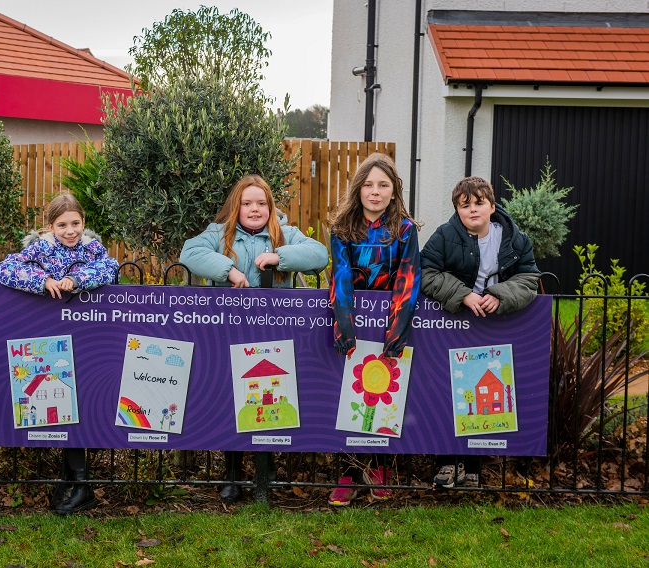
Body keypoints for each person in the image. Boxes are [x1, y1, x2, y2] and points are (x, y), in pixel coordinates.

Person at [179, 174, 329, 502]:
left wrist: (280, 258)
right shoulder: (219, 235)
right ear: (237, 206)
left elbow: (319, 254)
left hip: (274, 334)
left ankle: (269, 470)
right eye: (247, 203)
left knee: (270, 397)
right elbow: (189, 252)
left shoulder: (284, 234)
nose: (254, 209)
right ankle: (231, 473)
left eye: (261, 203)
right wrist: (227, 270)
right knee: (232, 399)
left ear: (271, 207)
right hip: (228, 333)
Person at [0, 192, 119, 515]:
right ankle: (75, 482)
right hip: (51, 341)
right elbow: (4, 269)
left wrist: (76, 279)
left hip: (88, 339)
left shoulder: (92, 250)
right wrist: (43, 280)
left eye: (76, 223)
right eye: (62, 224)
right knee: (62, 402)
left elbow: (111, 269)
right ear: (50, 226)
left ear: (84, 223)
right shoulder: (39, 250)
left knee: (83, 402)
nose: (70, 230)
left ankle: (78, 483)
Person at [421, 176, 539, 488]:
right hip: (454, 320)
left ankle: (472, 464)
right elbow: (425, 272)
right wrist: (462, 294)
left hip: (493, 323)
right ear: (457, 210)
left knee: (480, 393)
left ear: (492, 206)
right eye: (465, 205)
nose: (473, 209)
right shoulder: (445, 236)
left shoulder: (515, 239)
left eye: (479, 203)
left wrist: (500, 294)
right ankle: (446, 462)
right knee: (448, 391)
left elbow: (529, 278)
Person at [328, 152, 421, 505]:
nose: (375, 191)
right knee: (349, 397)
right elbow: (340, 277)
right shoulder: (341, 228)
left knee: (383, 395)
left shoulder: (405, 230)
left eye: (383, 185)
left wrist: (397, 329)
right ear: (358, 189)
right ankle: (348, 471)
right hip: (351, 322)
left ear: (394, 192)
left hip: (388, 326)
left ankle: (378, 468)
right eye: (368, 185)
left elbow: (408, 279)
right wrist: (344, 325)